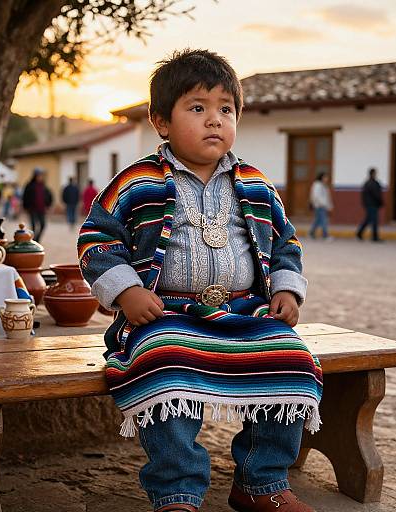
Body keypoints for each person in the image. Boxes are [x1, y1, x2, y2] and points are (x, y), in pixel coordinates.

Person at [78, 49, 322, 512]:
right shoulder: (137, 181)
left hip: (243, 311)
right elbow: (96, 238)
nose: (215, 121)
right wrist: (127, 292)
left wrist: (286, 288)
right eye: (198, 108)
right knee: (165, 365)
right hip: (165, 312)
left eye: (225, 110)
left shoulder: (255, 184)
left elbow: (286, 242)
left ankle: (261, 481)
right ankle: (178, 490)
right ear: (161, 121)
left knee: (291, 359)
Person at [22, 168, 53, 242]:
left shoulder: (44, 186)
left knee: (43, 224)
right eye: (39, 175)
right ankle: (33, 240)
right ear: (35, 176)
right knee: (33, 226)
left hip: (41, 209)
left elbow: (49, 196)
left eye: (41, 175)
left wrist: (48, 205)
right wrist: (25, 206)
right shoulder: (29, 185)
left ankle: (37, 239)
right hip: (32, 209)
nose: (40, 177)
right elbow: (25, 196)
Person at [356, 167, 384, 242]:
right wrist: (381, 202)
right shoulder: (372, 183)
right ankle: (375, 237)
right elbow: (376, 195)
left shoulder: (368, 183)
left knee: (368, 220)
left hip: (370, 205)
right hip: (372, 205)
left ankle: (359, 233)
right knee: (374, 221)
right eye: (375, 173)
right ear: (373, 174)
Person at [309, 172, 333, 239]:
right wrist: (322, 204)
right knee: (324, 220)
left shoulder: (324, 186)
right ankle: (325, 235)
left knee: (318, 220)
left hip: (323, 206)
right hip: (319, 206)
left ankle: (311, 233)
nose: (326, 179)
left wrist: (329, 206)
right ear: (321, 177)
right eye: (325, 177)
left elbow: (327, 197)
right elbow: (316, 196)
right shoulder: (317, 185)